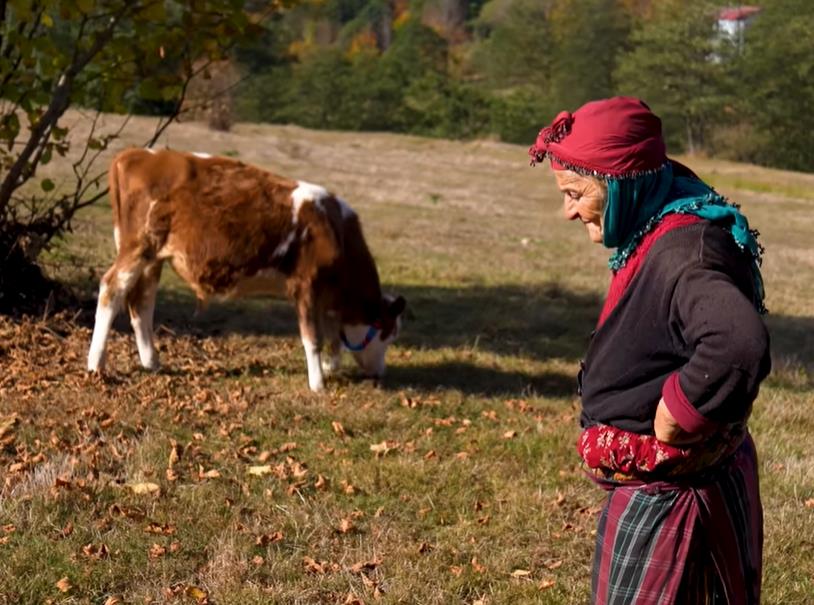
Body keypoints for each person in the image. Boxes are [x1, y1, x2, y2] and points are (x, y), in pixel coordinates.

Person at [529, 97, 771, 604]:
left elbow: (737, 342)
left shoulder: (685, 253)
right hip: (669, 494)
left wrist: (678, 410)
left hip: (674, 504)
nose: (567, 211)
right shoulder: (658, 222)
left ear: (620, 185)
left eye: (576, 193)